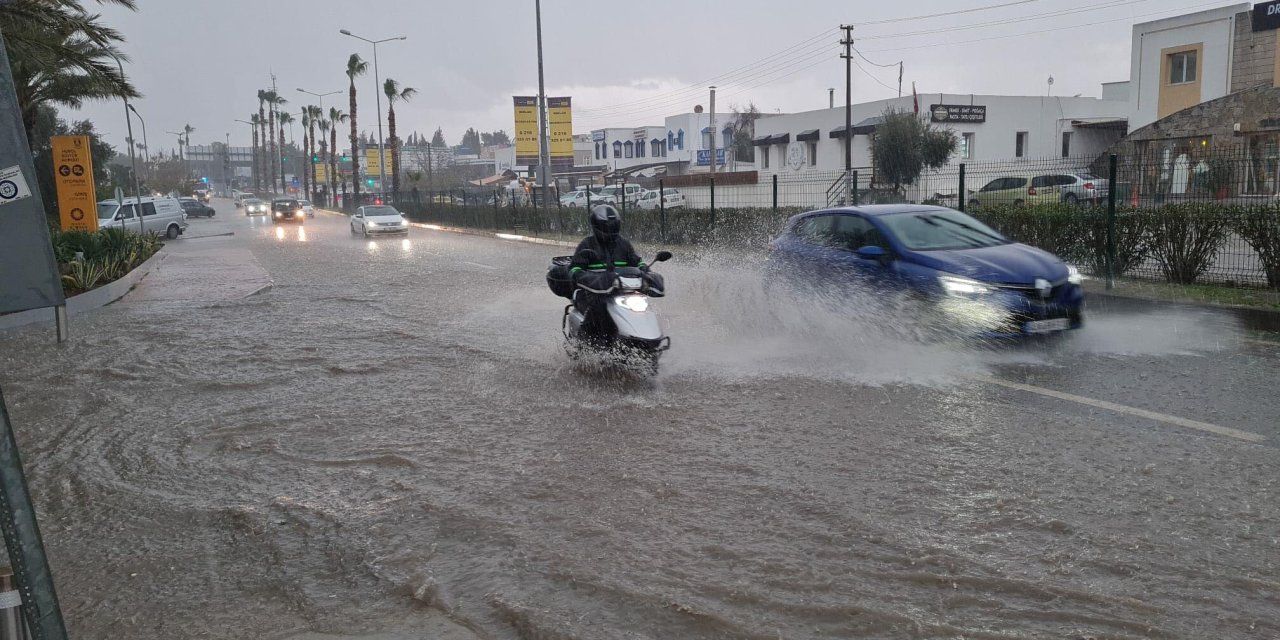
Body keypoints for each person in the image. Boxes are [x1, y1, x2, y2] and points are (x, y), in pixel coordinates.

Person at [569, 205, 647, 336]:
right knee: (598, 310)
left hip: (620, 292)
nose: (611, 229)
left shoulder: (623, 244)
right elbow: (574, 268)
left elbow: (637, 261)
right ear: (597, 226)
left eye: (614, 226)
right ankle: (587, 344)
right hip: (592, 294)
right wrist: (583, 276)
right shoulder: (587, 245)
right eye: (607, 226)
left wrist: (645, 269)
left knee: (641, 304)